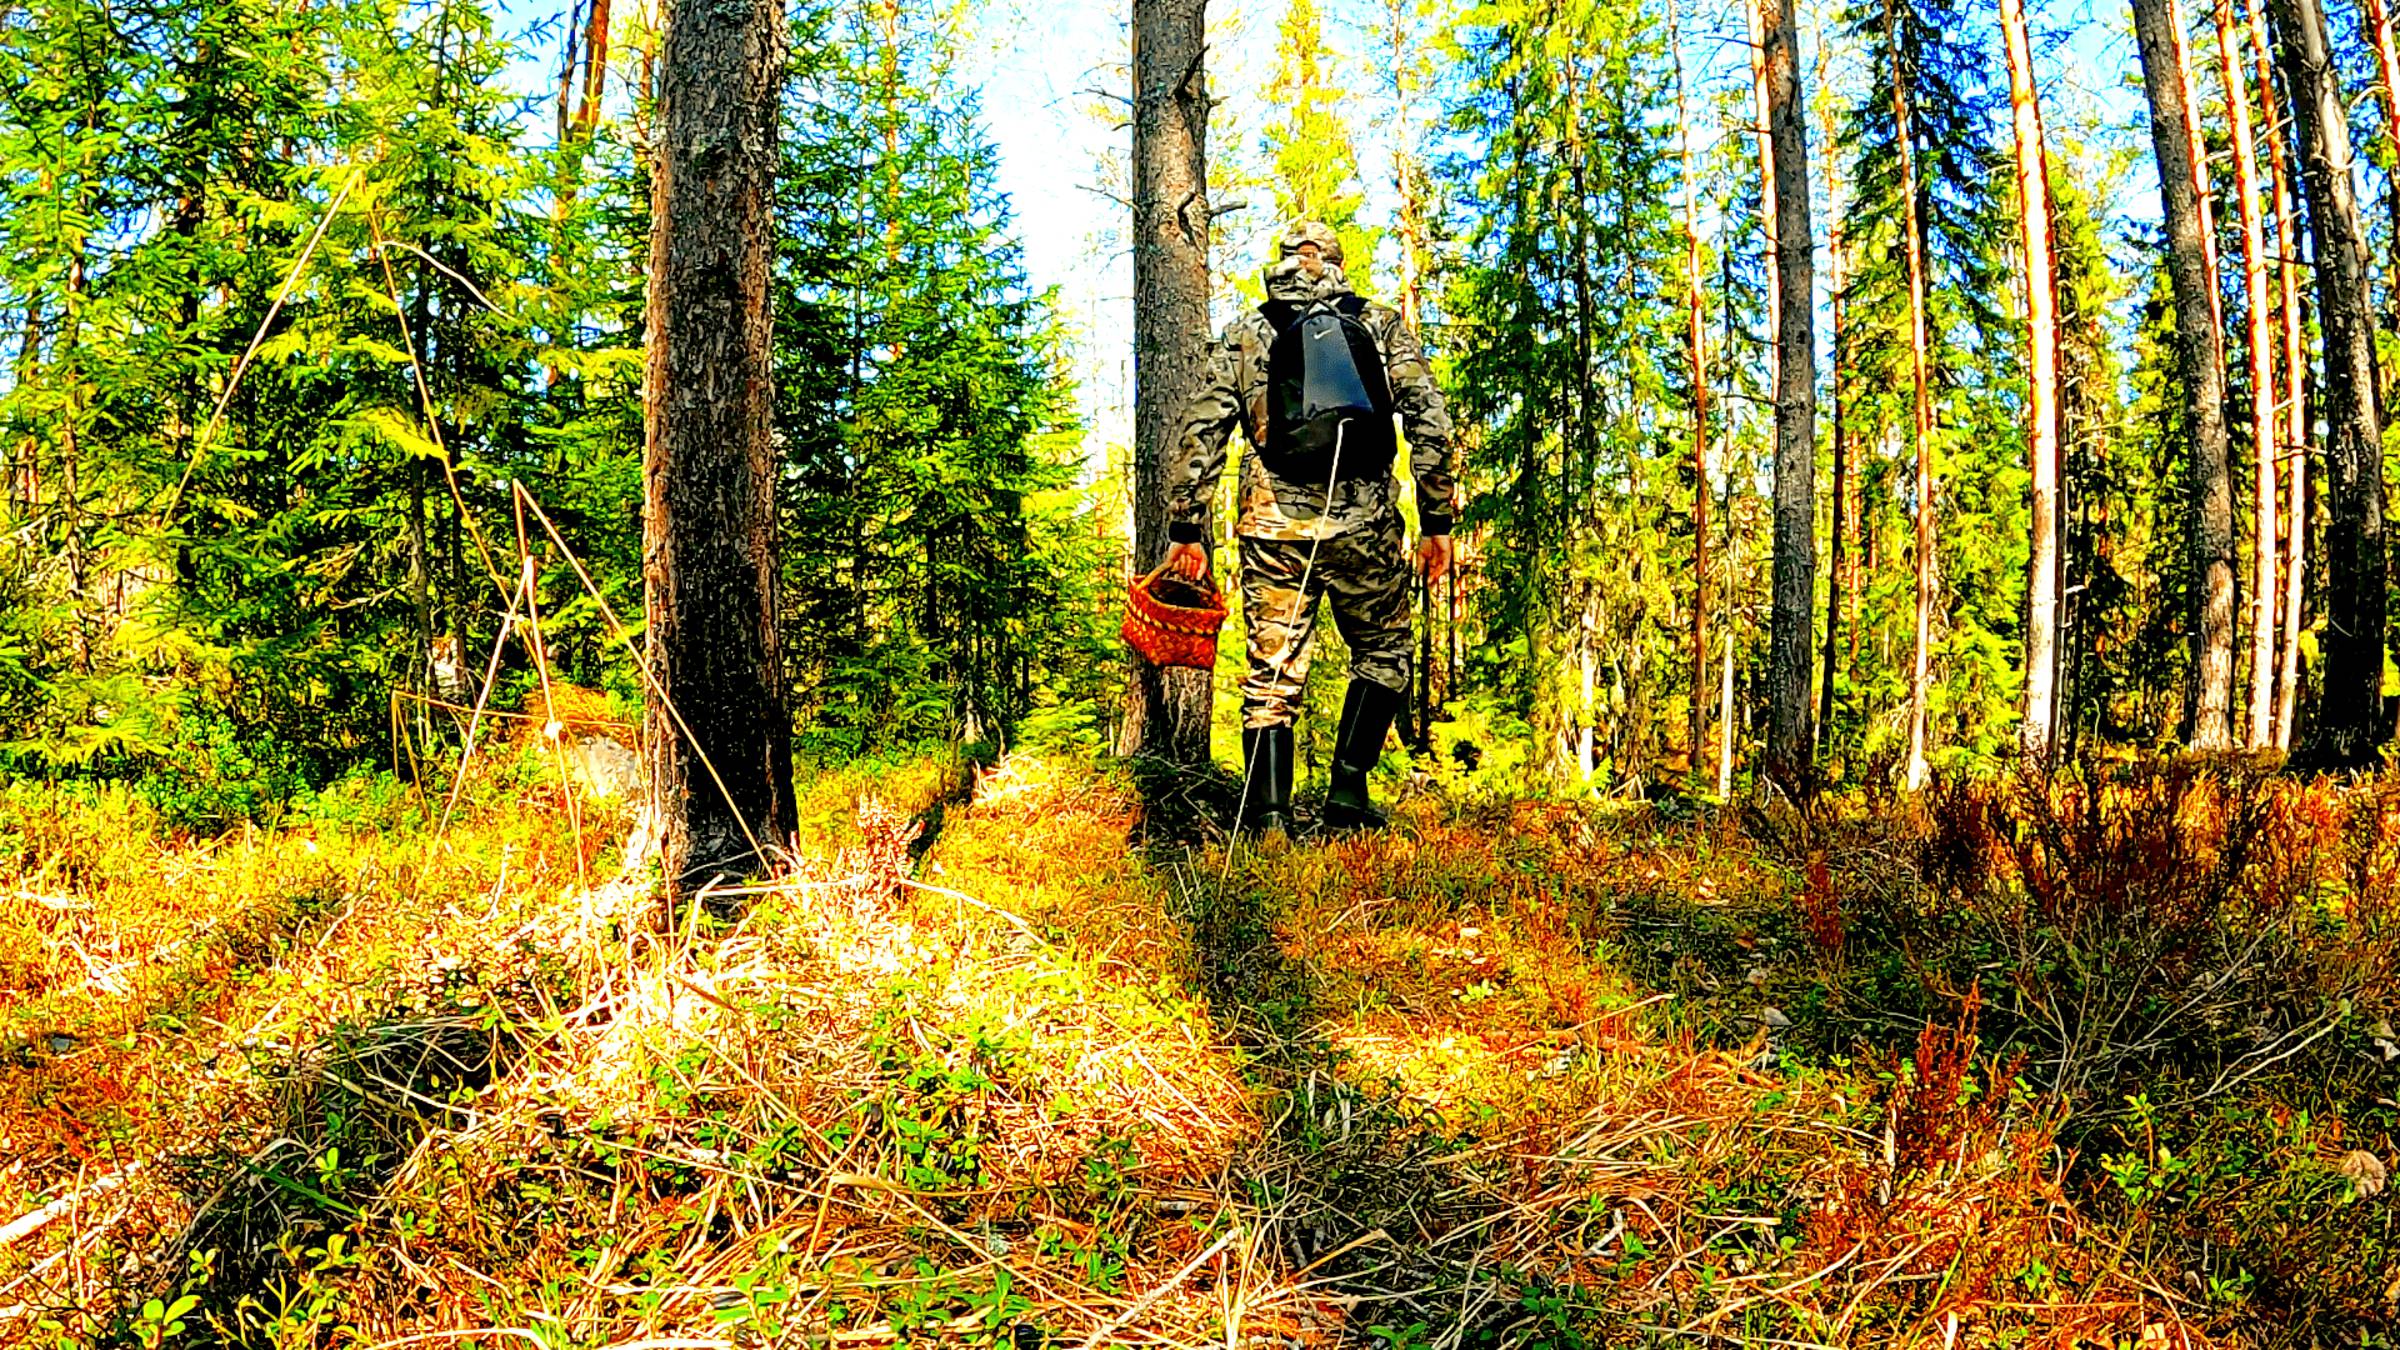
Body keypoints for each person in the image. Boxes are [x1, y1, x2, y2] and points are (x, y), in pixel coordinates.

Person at [1161, 220, 1456, 835]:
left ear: (1284, 261)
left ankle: (1267, 817)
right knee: (1383, 650)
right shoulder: (1377, 325)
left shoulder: (1248, 332)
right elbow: (1429, 417)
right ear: (1337, 263)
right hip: (1364, 524)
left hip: (1273, 528)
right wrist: (1436, 519)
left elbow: (1202, 430)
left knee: (1272, 670)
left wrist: (1188, 528)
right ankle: (1347, 791)